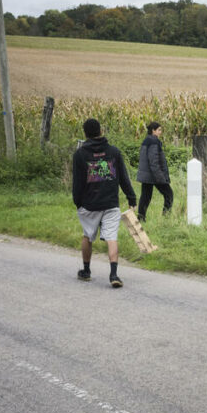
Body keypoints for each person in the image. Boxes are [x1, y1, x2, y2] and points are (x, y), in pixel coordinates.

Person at [72, 118, 137, 288]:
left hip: (89, 204)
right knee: (111, 238)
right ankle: (114, 274)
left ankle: (86, 271)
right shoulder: (113, 152)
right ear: (101, 131)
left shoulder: (80, 155)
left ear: (85, 133)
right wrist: (131, 198)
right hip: (110, 203)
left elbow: (77, 182)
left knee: (88, 235)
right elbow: (123, 177)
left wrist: (78, 202)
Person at [136, 121, 172, 221]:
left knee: (146, 196)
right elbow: (154, 161)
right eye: (159, 130)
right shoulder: (153, 141)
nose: (160, 132)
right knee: (169, 194)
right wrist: (160, 178)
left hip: (147, 175)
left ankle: (141, 218)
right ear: (153, 130)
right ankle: (166, 218)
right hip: (154, 175)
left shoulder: (146, 140)